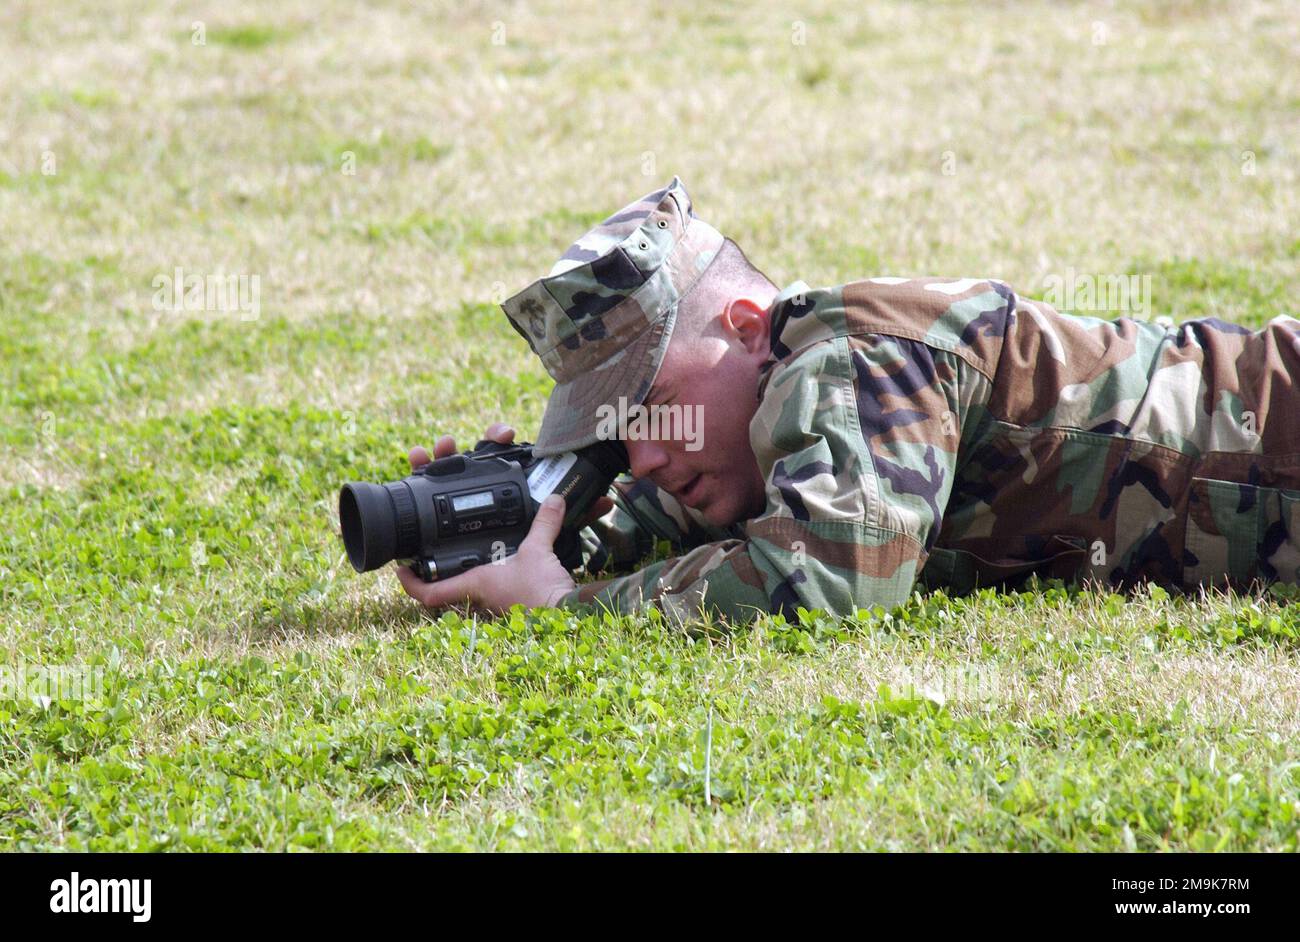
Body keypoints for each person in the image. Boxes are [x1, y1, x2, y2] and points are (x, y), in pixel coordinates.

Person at [397, 177, 1300, 623]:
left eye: (654, 405)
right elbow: (685, 506)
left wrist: (563, 606)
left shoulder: (845, 359)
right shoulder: (760, 409)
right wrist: (518, 525)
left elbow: (835, 576)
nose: (647, 454)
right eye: (620, 432)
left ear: (749, 326)